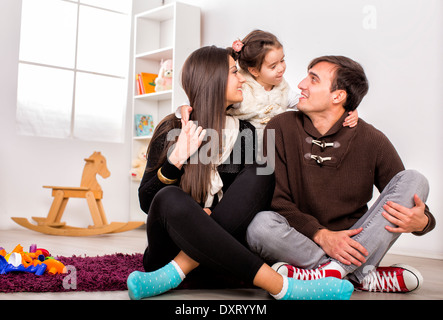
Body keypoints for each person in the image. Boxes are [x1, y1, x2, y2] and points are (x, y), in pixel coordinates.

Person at [126, 46, 354, 300]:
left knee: (263, 171)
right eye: (235, 72)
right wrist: (176, 159)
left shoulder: (244, 132)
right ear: (213, 80)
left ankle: (178, 270)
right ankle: (284, 287)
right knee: (169, 197)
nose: (243, 78)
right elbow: (148, 203)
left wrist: (345, 113)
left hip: (219, 261)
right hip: (167, 251)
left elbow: (248, 204)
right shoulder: (173, 128)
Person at [246, 55, 436, 293]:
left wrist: (423, 222)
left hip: (355, 241)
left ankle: (325, 274)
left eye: (313, 79)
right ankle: (360, 276)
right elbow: (276, 200)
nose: (302, 84)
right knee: (259, 226)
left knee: (415, 179)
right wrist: (321, 234)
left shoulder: (372, 140)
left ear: (338, 96)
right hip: (299, 240)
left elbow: (406, 195)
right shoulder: (280, 126)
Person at [180, 30, 358, 148]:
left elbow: (305, 102)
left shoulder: (283, 89)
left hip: (270, 150)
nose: (281, 68)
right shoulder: (241, 88)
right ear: (254, 70)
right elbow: (208, 97)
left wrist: (346, 110)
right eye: (273, 66)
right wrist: (184, 109)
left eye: (282, 60)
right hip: (239, 150)